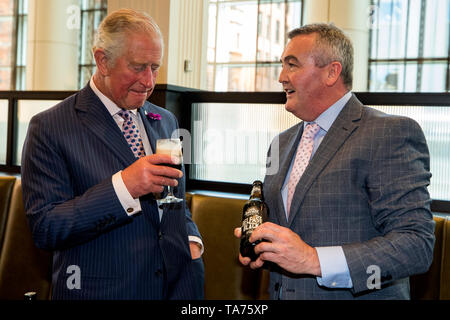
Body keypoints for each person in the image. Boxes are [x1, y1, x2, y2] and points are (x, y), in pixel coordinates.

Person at [235, 23, 435, 299]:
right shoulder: (280, 144)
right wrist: (263, 247)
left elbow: (416, 245)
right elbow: (294, 234)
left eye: (292, 65)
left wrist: (314, 260)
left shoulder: (390, 133)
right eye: (282, 65)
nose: (281, 77)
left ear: (332, 72)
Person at [21, 9, 204, 300]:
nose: (148, 82)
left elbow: (175, 201)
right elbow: (46, 228)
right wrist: (125, 186)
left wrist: (191, 242)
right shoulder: (50, 127)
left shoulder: (165, 120)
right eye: (138, 67)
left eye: (155, 68)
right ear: (102, 61)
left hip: (176, 288)